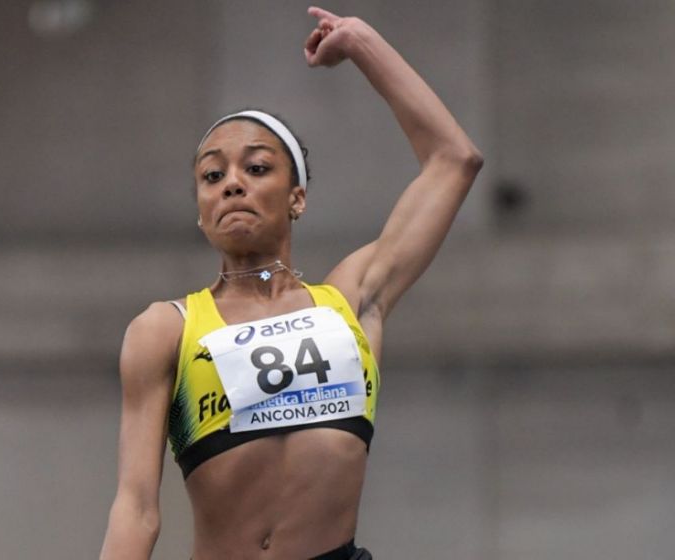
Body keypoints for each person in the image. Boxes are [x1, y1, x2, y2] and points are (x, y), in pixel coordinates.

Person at [100, 6, 482, 559]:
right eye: (212, 175)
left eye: (256, 168)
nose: (232, 184)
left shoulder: (350, 301)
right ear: (201, 211)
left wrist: (361, 42)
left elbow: (454, 160)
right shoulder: (165, 330)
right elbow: (136, 509)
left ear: (296, 197)